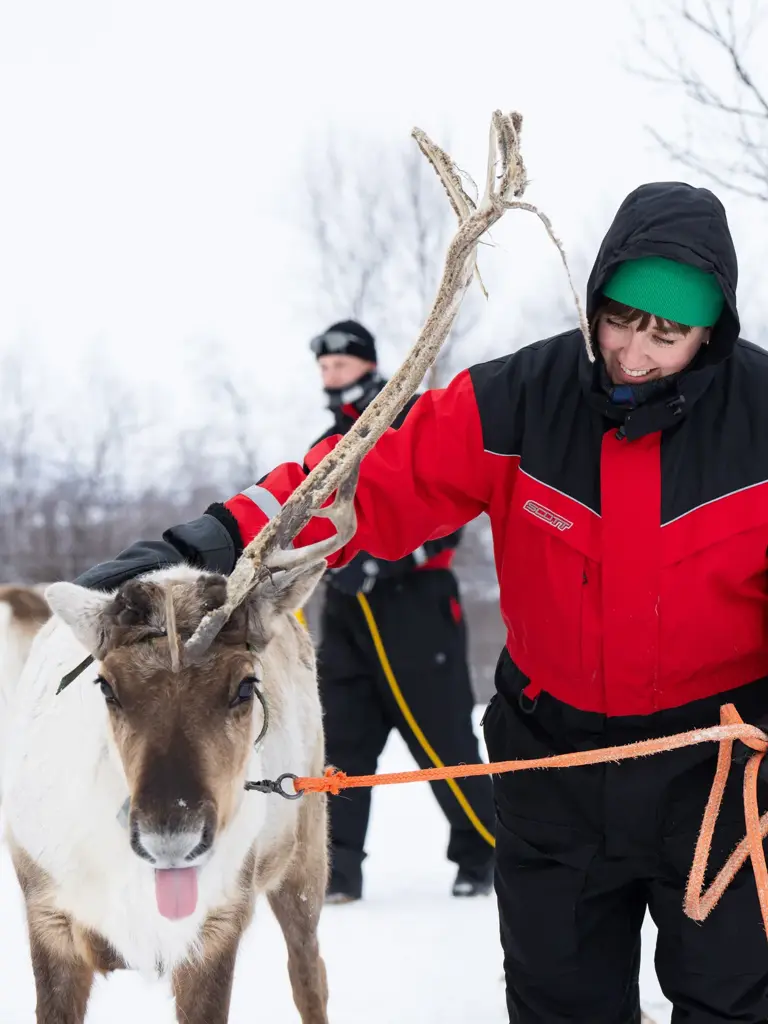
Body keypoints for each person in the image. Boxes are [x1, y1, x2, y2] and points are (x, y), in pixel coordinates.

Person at [75, 179, 768, 1022]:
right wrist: (212, 541)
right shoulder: (520, 397)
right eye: (621, 318)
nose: (634, 352)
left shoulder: (759, 420)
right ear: (596, 297)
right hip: (553, 769)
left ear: (713, 331)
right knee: (561, 1008)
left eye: (668, 334)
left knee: (736, 1004)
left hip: (721, 777)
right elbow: (357, 481)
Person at [298, 318, 496, 902]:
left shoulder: (404, 421)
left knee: (443, 740)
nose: (330, 376)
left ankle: (482, 853)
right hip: (348, 614)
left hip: (416, 608)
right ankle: (336, 870)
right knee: (341, 744)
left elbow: (449, 514)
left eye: (339, 365)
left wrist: (386, 563)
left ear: (365, 364)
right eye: (324, 368)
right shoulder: (326, 443)